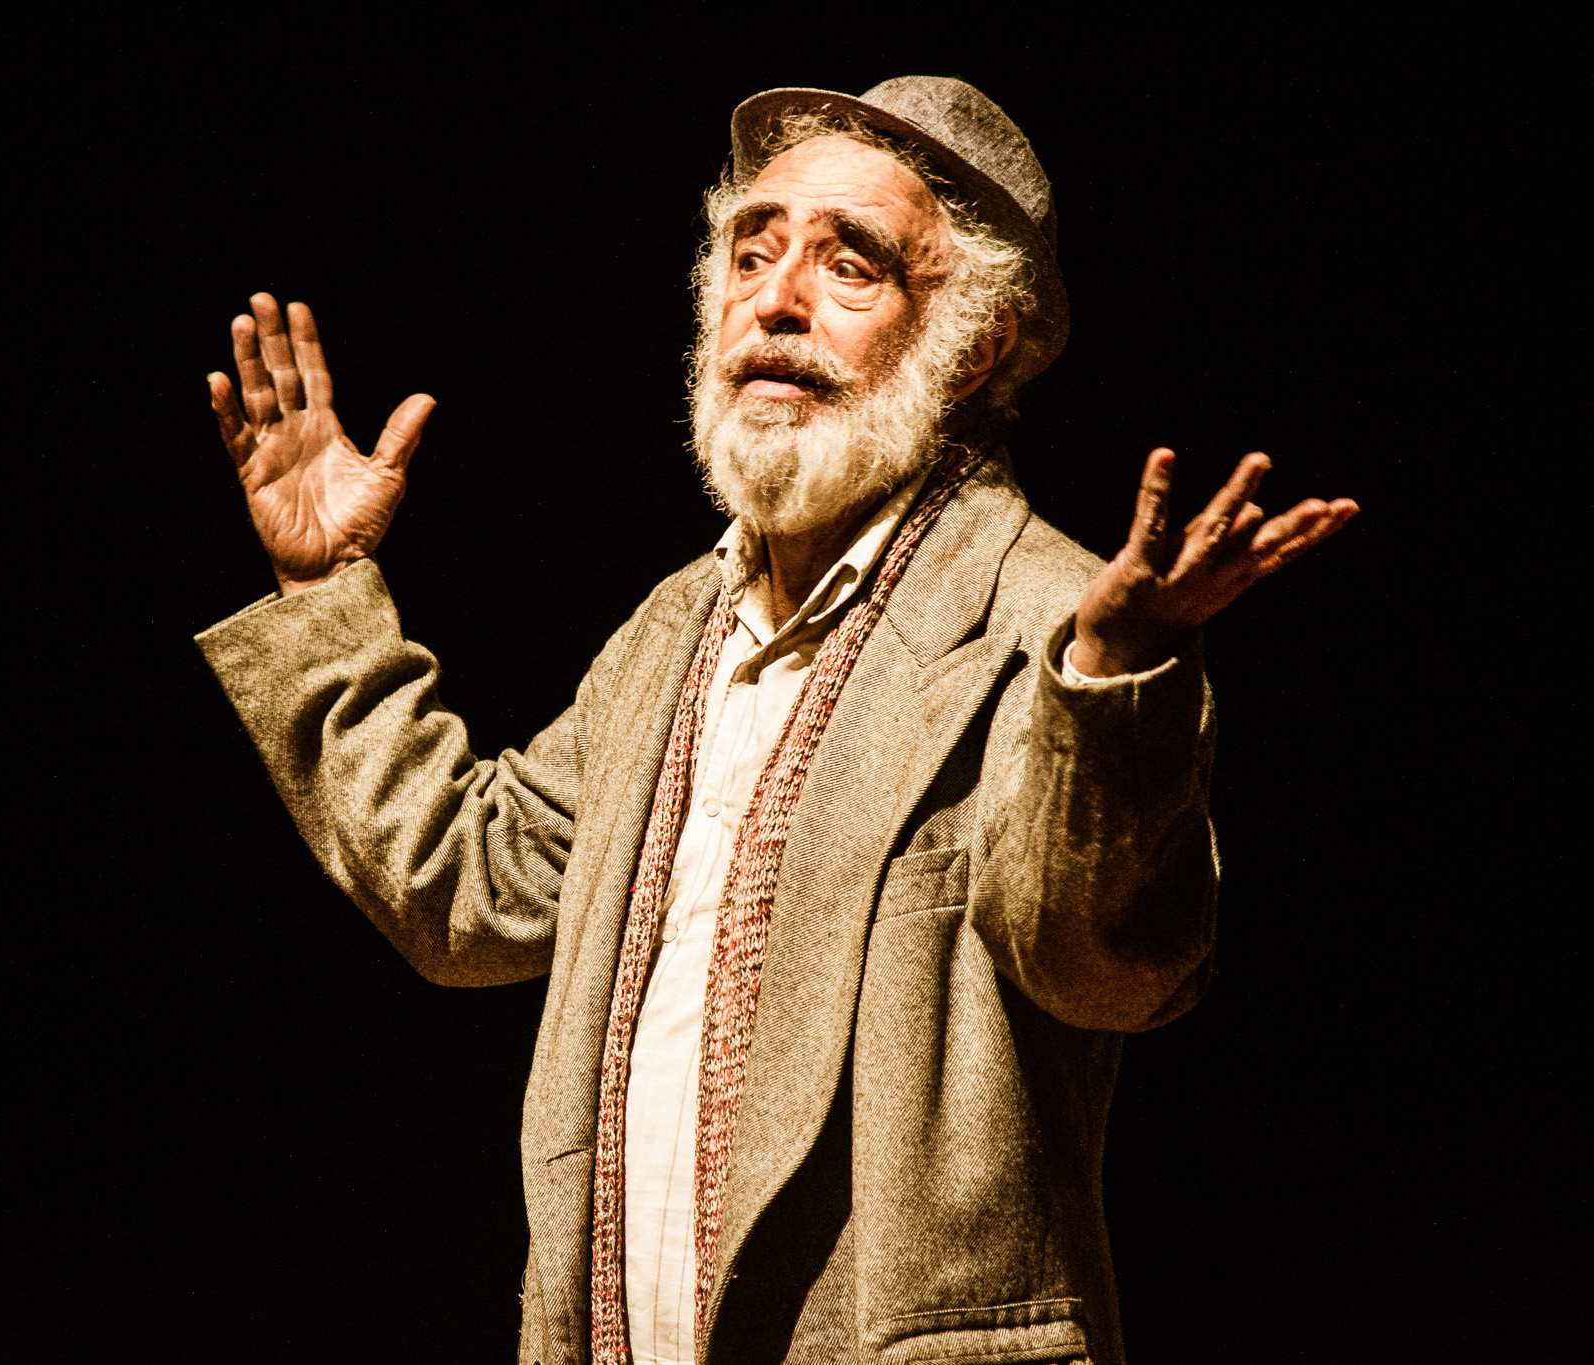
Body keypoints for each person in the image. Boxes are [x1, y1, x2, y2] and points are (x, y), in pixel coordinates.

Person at [195, 77, 1354, 1365]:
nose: (776, 300)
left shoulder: (1054, 623)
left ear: (975, 344)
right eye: (753, 254)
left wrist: (1117, 681)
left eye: (849, 266)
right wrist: (325, 597)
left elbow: (1109, 971)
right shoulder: (679, 626)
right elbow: (469, 891)